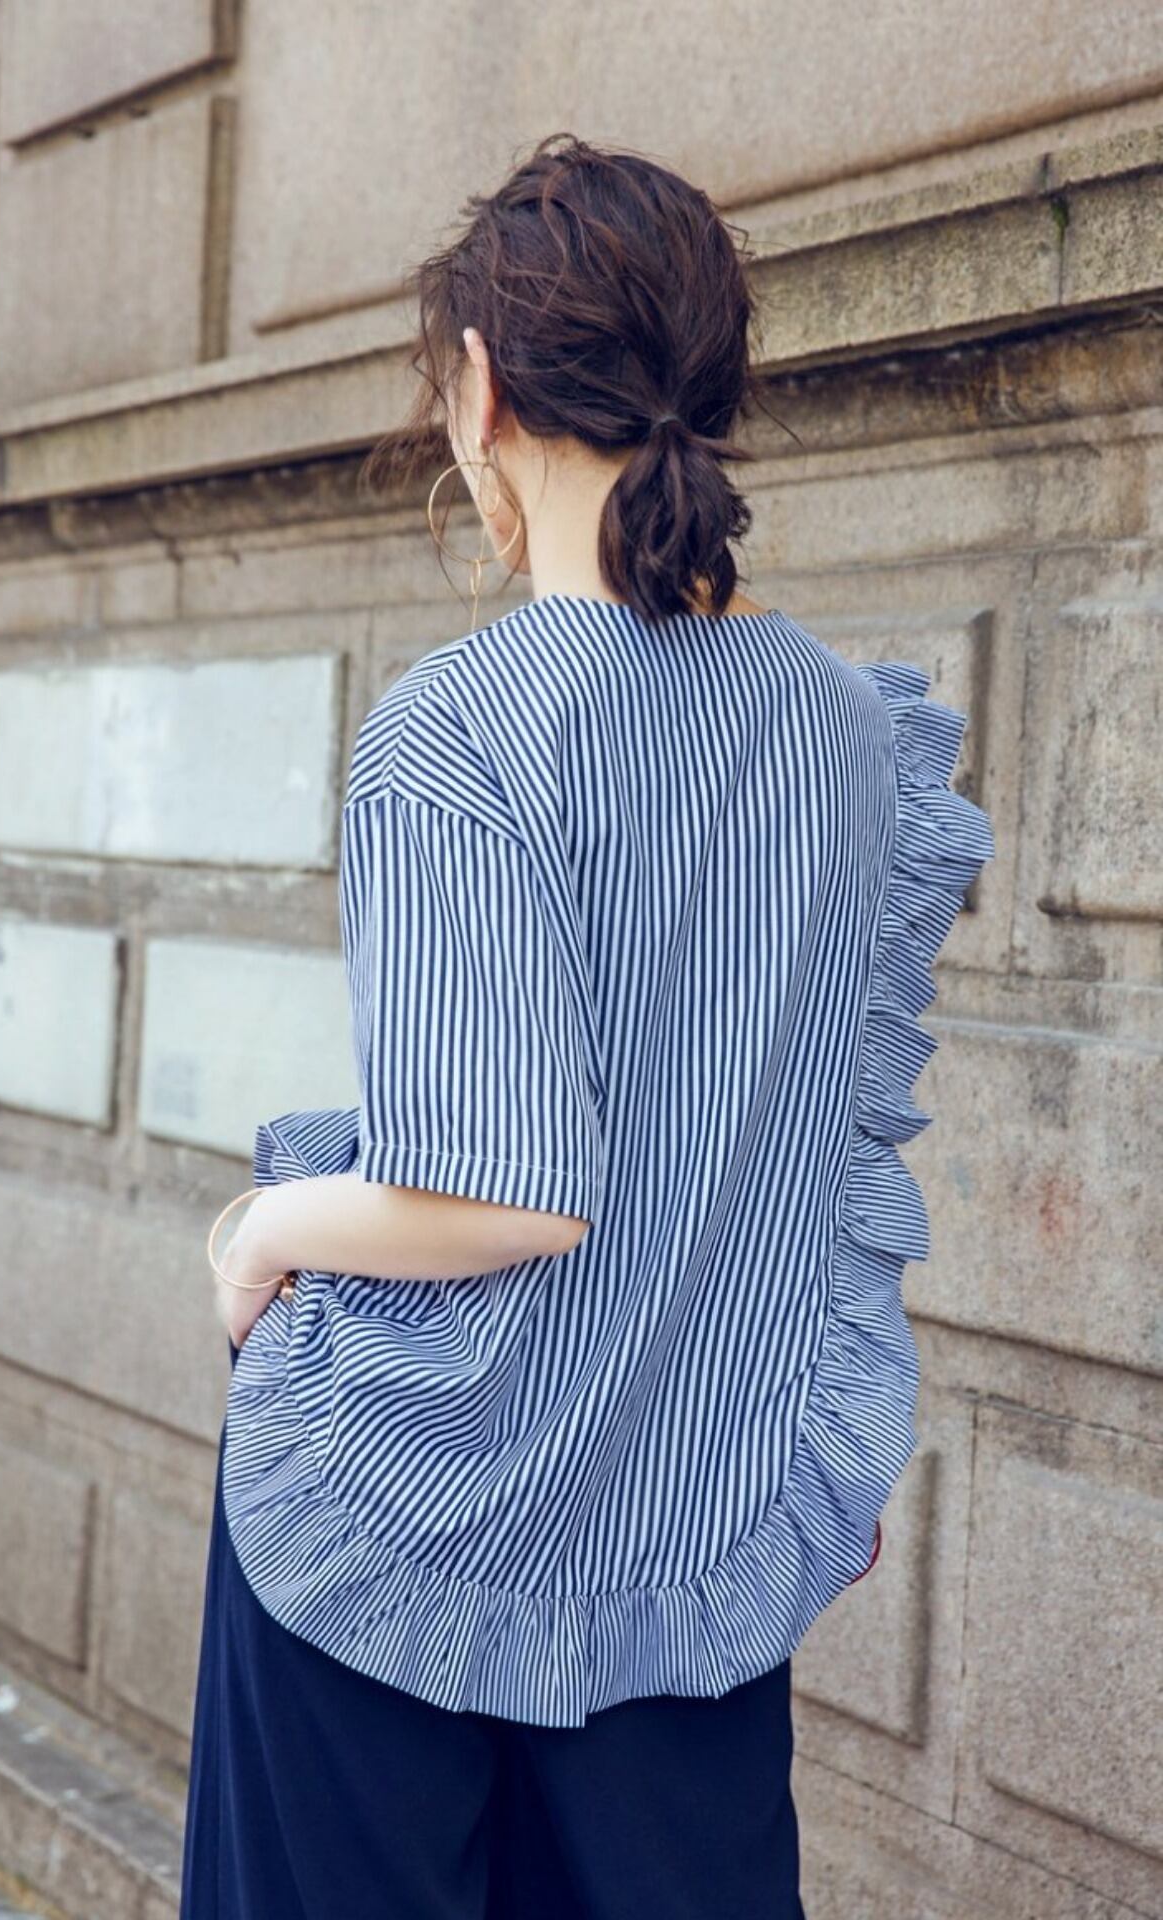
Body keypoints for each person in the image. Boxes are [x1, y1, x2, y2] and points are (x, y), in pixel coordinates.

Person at [179, 132, 995, 1919]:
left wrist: (261, 1230)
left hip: (399, 1528)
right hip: (693, 1541)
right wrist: (817, 1437)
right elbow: (833, 1156)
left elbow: (501, 1195)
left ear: (480, 388)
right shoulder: (857, 741)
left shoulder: (464, 728)